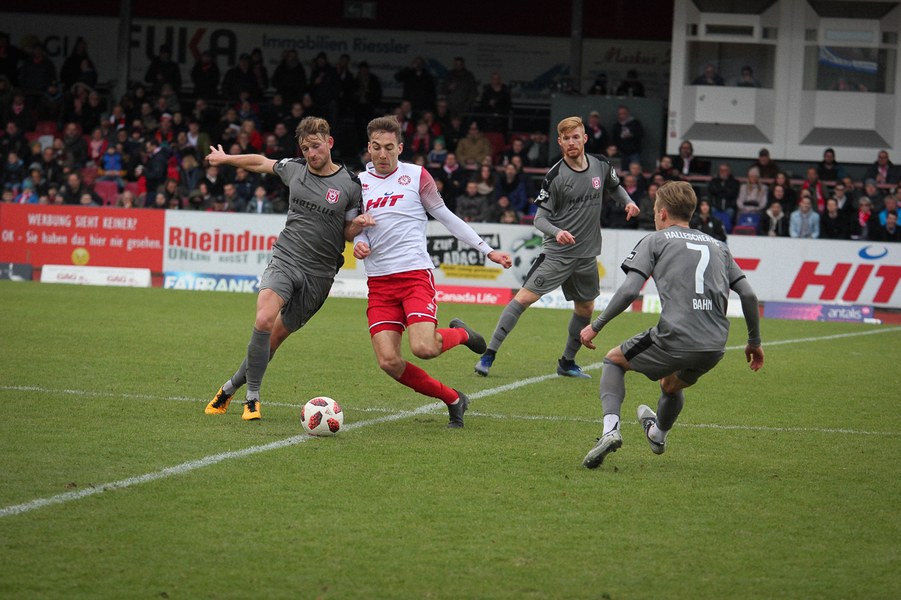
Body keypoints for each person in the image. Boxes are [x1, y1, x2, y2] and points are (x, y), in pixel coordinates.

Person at [579, 180, 764, 468]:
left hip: (675, 336)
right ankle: (657, 435)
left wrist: (596, 325)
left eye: (655, 210)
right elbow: (749, 295)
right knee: (670, 384)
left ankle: (610, 431)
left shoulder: (655, 240)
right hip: (714, 346)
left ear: (662, 212)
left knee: (614, 361)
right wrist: (754, 342)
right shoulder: (719, 246)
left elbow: (629, 291)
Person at [204, 117, 369, 421]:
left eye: (315, 146)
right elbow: (260, 162)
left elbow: (347, 233)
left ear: (329, 143)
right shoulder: (294, 169)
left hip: (320, 274)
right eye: (305, 148)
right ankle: (252, 398)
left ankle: (228, 389)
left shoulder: (350, 184)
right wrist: (226, 159)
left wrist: (357, 225)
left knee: (273, 340)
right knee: (264, 318)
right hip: (286, 258)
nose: (311, 153)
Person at [352, 116, 512, 428]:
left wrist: (487, 250)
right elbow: (358, 228)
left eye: (389, 147)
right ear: (368, 148)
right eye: (376, 147)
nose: (382, 154)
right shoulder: (357, 183)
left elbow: (446, 216)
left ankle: (462, 334)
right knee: (388, 361)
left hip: (414, 276)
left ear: (400, 148)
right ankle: (453, 398)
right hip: (380, 283)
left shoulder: (416, 176)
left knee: (424, 348)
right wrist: (359, 242)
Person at [475, 116, 639, 379]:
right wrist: (558, 232)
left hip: (586, 255)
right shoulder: (556, 176)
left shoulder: (601, 165)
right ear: (560, 142)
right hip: (557, 254)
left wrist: (628, 202)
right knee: (523, 299)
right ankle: (488, 355)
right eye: (566, 138)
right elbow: (539, 219)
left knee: (585, 309)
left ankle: (567, 363)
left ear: (584, 139)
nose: (571, 142)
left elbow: (615, 187)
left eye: (576, 137)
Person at [611, 105, 644, 170]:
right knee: (623, 171)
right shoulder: (617, 125)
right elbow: (614, 138)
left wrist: (631, 135)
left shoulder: (635, 123)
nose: (622, 115)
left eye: (624, 113)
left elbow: (640, 134)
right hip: (622, 153)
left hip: (634, 152)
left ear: (628, 113)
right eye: (620, 114)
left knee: (635, 170)